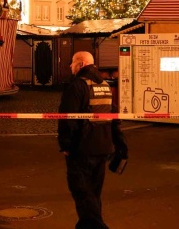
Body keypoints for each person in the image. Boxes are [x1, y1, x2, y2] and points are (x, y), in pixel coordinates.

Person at [57, 51, 128, 229]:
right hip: (103, 146)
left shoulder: (77, 86)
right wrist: (119, 143)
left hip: (82, 148)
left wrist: (65, 144)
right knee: (93, 193)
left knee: (81, 191)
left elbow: (67, 117)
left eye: (72, 62)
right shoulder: (104, 85)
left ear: (81, 64)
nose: (70, 66)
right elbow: (114, 116)